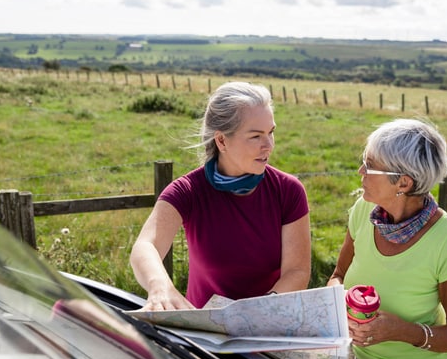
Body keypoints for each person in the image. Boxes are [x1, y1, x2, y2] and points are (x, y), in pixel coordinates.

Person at [327, 118, 447, 359]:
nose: (360, 172)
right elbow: (339, 276)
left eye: (370, 166)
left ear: (403, 182)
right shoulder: (362, 212)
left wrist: (400, 332)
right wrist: (334, 298)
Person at [130, 81, 311, 311]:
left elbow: (297, 272)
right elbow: (145, 246)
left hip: (268, 327)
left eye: (271, 132)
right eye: (256, 136)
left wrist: (257, 312)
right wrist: (160, 287)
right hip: (204, 336)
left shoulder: (288, 191)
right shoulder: (187, 191)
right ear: (222, 140)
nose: (268, 145)